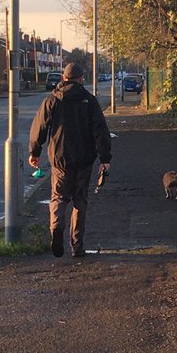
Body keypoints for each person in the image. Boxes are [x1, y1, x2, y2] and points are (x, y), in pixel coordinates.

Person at [28, 62, 112, 258]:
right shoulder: (89, 101)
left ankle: (57, 226)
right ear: (81, 79)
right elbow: (100, 130)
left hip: (60, 160)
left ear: (63, 78)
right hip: (84, 159)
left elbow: (39, 127)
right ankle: (77, 246)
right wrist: (105, 157)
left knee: (58, 197)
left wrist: (35, 152)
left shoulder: (52, 100)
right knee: (79, 201)